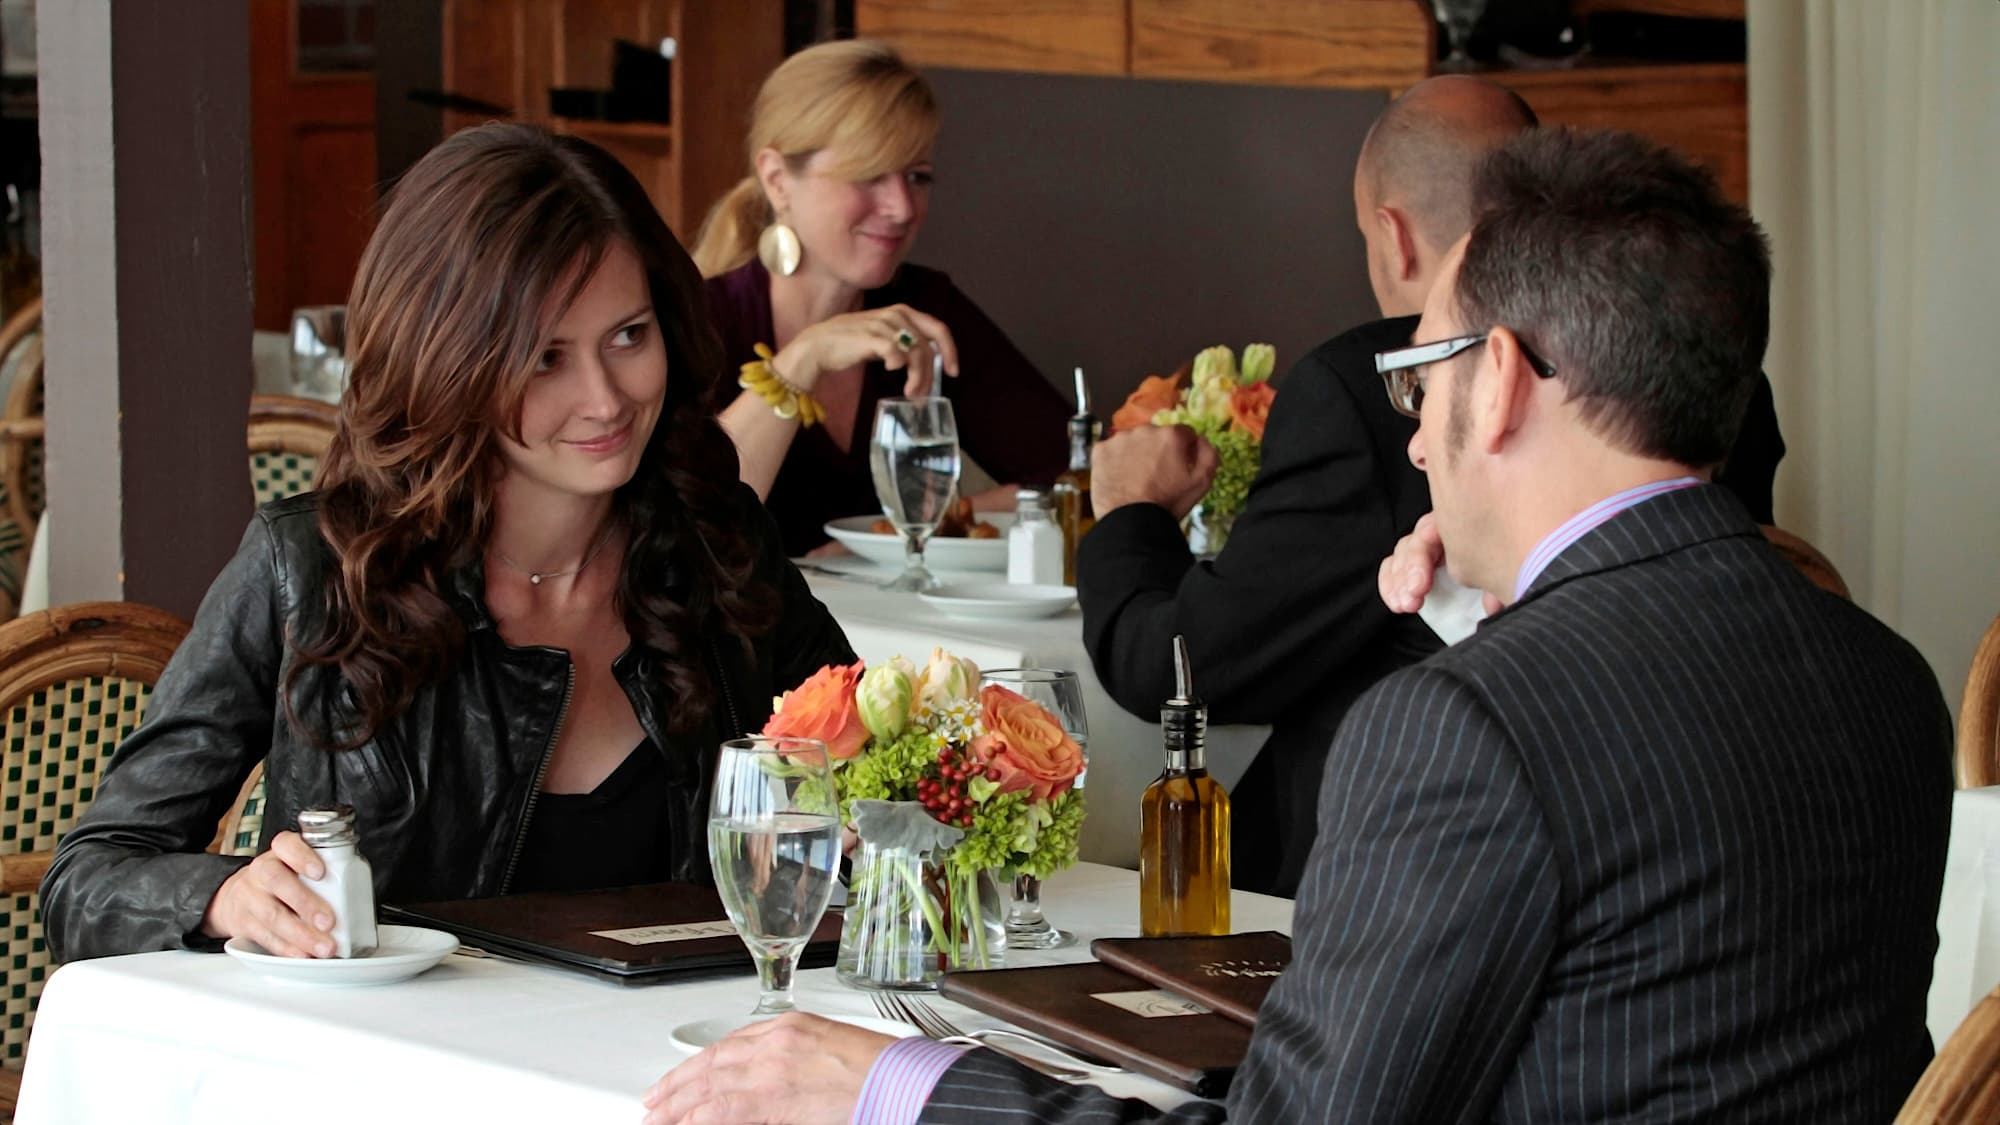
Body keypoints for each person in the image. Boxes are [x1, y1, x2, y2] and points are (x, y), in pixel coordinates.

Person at [639, 127, 1951, 1125]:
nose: (1416, 441)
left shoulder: (1468, 728)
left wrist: (895, 1083)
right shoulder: (1883, 675)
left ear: (1497, 382)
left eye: (1417, 380)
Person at [39, 123, 854, 962]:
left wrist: (878, 832)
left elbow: (877, 778)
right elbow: (89, 879)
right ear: (449, 362)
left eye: (628, 336)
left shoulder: (719, 546)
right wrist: (224, 896)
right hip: (386, 1047)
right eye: (546, 358)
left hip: (684, 1044)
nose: (606, 398)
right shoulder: (315, 570)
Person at [1077, 75, 1787, 897]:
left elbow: (1185, 669)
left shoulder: (1451, 719)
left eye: (1423, 383)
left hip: (1387, 877)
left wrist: (1129, 513)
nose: (1419, 447)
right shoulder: (1726, 387)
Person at [694, 40, 1073, 555]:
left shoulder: (924, 308)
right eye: (869, 175)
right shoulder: (701, 320)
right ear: (778, 180)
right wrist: (804, 359)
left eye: (917, 176)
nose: (902, 207)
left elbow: (1077, 474)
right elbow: (696, 521)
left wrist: (890, 535)